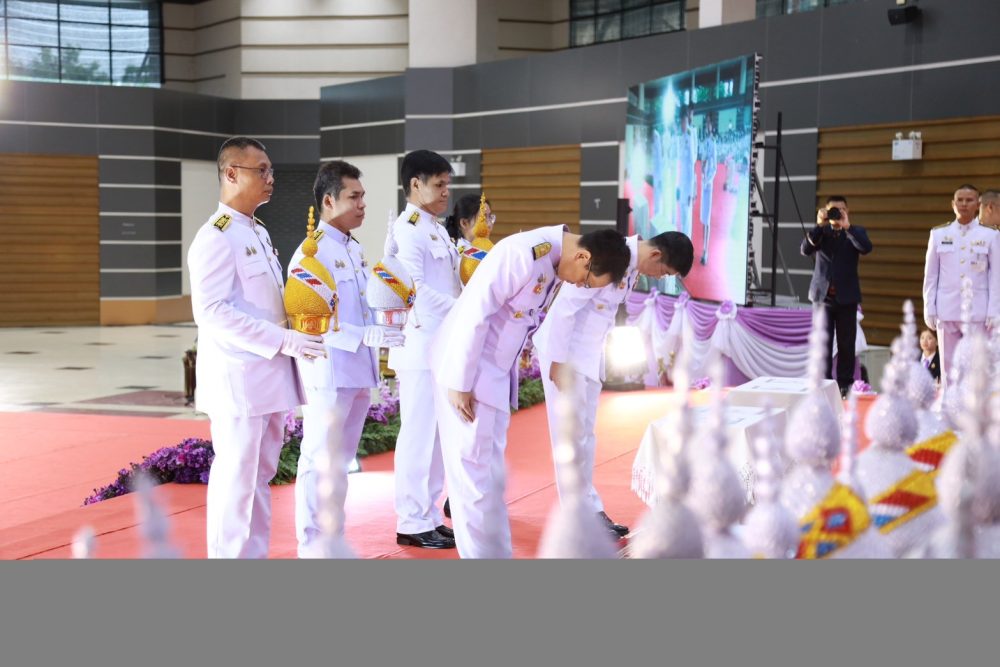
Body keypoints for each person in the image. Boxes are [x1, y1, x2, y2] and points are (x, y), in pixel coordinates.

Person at [431, 226, 630, 558]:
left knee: (490, 478)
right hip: (467, 373)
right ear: (583, 257)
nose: (579, 286)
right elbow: (474, 312)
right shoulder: (522, 254)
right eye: (585, 281)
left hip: (493, 376)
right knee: (473, 479)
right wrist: (460, 382)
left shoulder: (552, 261)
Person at [187, 136, 325, 558]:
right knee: (237, 479)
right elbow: (211, 312)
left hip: (269, 376)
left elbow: (266, 302)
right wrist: (285, 339)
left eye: (270, 170)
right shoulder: (215, 236)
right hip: (240, 379)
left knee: (261, 477)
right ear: (231, 173)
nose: (270, 178)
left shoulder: (257, 231)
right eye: (260, 170)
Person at [532, 231, 694, 539]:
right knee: (569, 438)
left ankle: (590, 510)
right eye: (663, 272)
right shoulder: (610, 253)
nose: (659, 278)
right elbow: (565, 308)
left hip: (588, 358)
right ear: (656, 255)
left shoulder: (631, 267)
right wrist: (557, 361)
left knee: (585, 437)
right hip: (565, 355)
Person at [289, 160, 405, 558]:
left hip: (358, 371)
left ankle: (332, 537)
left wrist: (386, 322)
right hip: (329, 372)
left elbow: (363, 305)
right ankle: (311, 546)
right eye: (354, 197)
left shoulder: (353, 249)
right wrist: (362, 335)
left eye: (363, 197)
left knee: (341, 464)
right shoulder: (311, 253)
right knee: (319, 461)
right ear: (328, 201)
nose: (362, 204)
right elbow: (309, 321)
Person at [388, 150, 460, 549]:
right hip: (419, 345)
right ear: (415, 184)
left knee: (435, 438)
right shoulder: (408, 229)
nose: (446, 191)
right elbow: (413, 289)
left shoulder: (436, 229)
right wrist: (464, 310)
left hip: (442, 343)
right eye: (439, 184)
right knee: (417, 435)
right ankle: (411, 519)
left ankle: (429, 514)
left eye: (448, 184)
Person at [922, 184, 1000, 385]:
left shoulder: (990, 235)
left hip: (978, 311)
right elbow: (931, 275)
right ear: (953, 204)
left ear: (978, 204)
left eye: (969, 200)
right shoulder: (938, 234)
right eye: (960, 200)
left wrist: (994, 310)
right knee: (948, 366)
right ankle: (949, 401)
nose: (964, 204)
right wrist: (929, 307)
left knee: (976, 366)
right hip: (947, 309)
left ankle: (974, 403)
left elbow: (995, 276)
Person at [801, 195, 873, 399]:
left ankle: (845, 386)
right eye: (833, 209)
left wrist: (847, 227)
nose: (837, 213)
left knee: (846, 344)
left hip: (847, 297)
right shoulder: (820, 232)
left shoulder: (856, 232)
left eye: (841, 209)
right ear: (825, 211)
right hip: (822, 297)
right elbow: (805, 250)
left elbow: (866, 248)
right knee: (822, 344)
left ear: (847, 211)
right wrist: (818, 225)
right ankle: (824, 385)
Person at [698, 114, 718, 265]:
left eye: (709, 124)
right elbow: (702, 162)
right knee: (703, 219)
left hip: (709, 185)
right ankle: (703, 248)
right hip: (703, 182)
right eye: (706, 124)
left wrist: (708, 180)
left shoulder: (713, 143)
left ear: (712, 126)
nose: (707, 126)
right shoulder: (704, 143)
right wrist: (702, 174)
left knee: (708, 219)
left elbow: (715, 167)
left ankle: (706, 251)